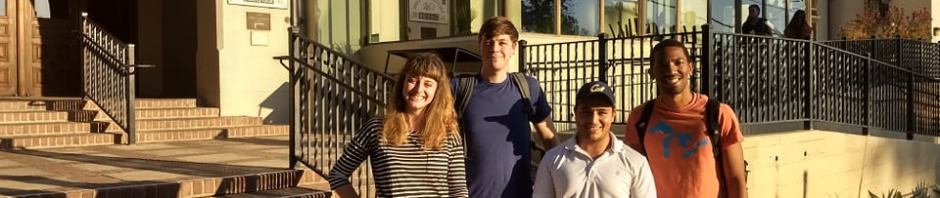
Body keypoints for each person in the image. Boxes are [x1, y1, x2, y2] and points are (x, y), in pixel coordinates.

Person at [328, 53, 468, 198]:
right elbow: (337, 175)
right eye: (412, 80)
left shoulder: (448, 133)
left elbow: (459, 191)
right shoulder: (377, 129)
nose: (419, 89)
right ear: (402, 83)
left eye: (428, 84)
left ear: (437, 91)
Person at [624, 39, 748, 198]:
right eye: (662, 64)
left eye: (678, 62)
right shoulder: (639, 117)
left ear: (690, 68)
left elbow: (736, 179)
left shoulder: (718, 114)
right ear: (651, 73)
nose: (670, 68)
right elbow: (634, 178)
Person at [452, 16, 560, 198]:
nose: (494, 48)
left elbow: (550, 139)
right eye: (489, 42)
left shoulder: (528, 88)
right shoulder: (459, 88)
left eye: (502, 42)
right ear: (480, 46)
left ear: (514, 47)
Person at [533, 81, 657, 198]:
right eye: (586, 112)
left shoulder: (635, 161)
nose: (593, 120)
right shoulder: (552, 160)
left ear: (613, 114)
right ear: (575, 113)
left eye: (602, 112)